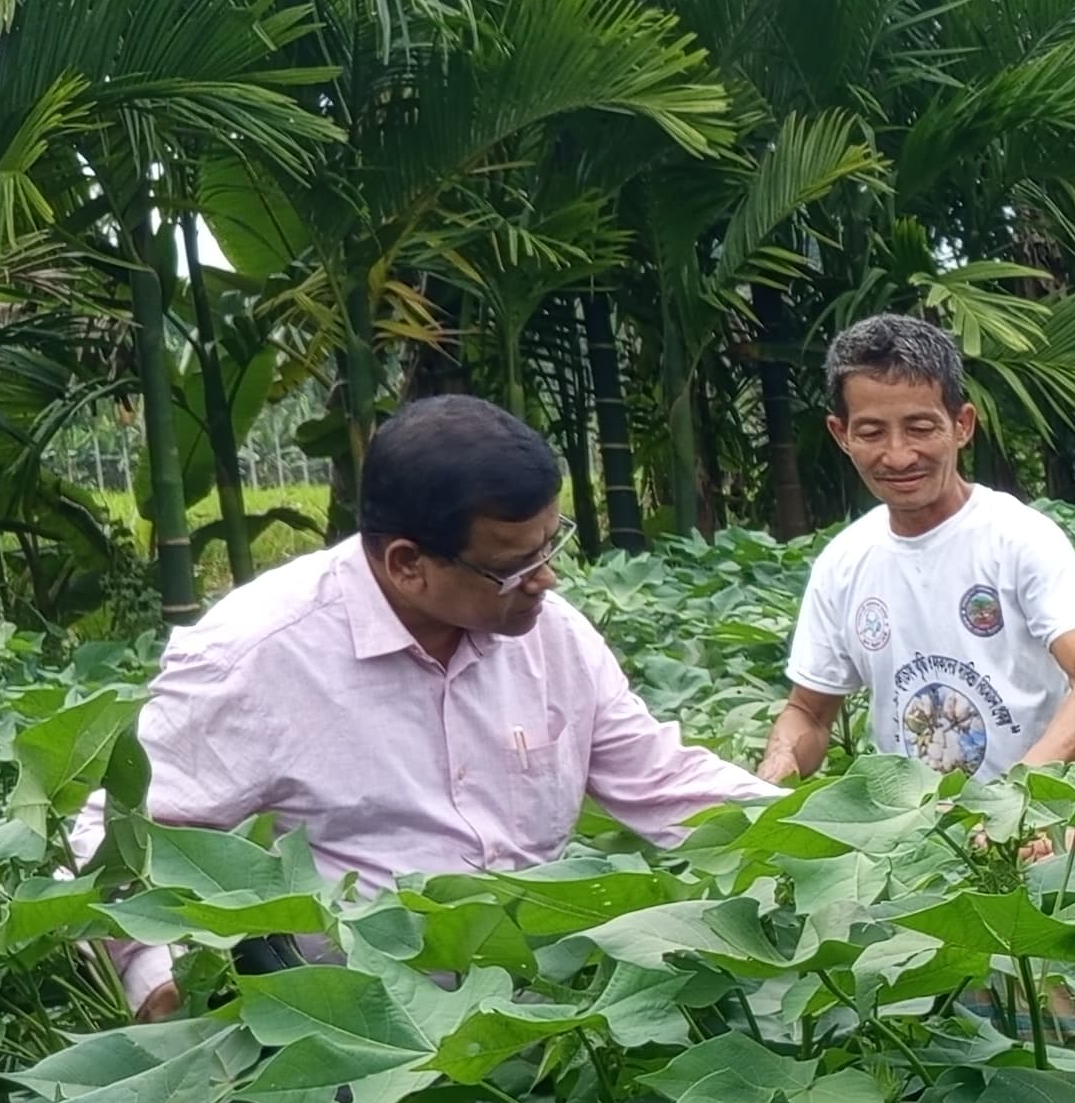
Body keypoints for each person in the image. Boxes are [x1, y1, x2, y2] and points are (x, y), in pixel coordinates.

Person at [89, 396, 779, 1019]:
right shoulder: (257, 656)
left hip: (544, 1018)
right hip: (354, 1037)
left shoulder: (553, 636)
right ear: (407, 564)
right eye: (511, 567)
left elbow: (663, 782)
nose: (545, 579)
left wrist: (821, 836)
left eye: (550, 545)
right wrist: (159, 978)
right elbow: (116, 845)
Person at [760, 315, 1075, 784]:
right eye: (871, 433)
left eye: (920, 428)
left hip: (1033, 817)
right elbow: (808, 713)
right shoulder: (843, 563)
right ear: (841, 435)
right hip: (910, 821)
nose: (898, 455)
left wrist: (1010, 798)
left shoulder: (1019, 537)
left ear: (962, 425)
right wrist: (777, 764)